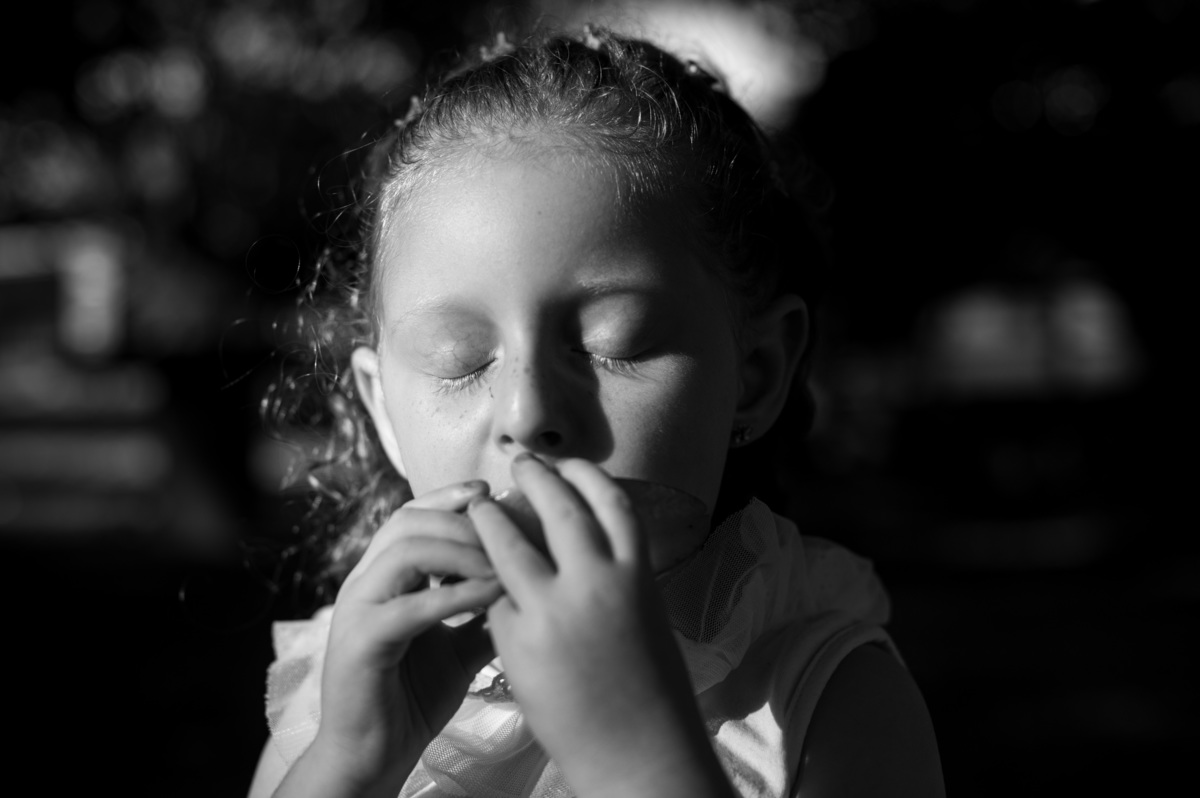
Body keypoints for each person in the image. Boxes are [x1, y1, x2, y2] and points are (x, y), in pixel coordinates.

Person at [248, 25, 943, 798]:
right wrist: (350, 763)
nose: (527, 411)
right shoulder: (343, 699)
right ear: (382, 408)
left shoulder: (830, 702)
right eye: (458, 360)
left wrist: (637, 756)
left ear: (755, 371)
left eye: (618, 346)